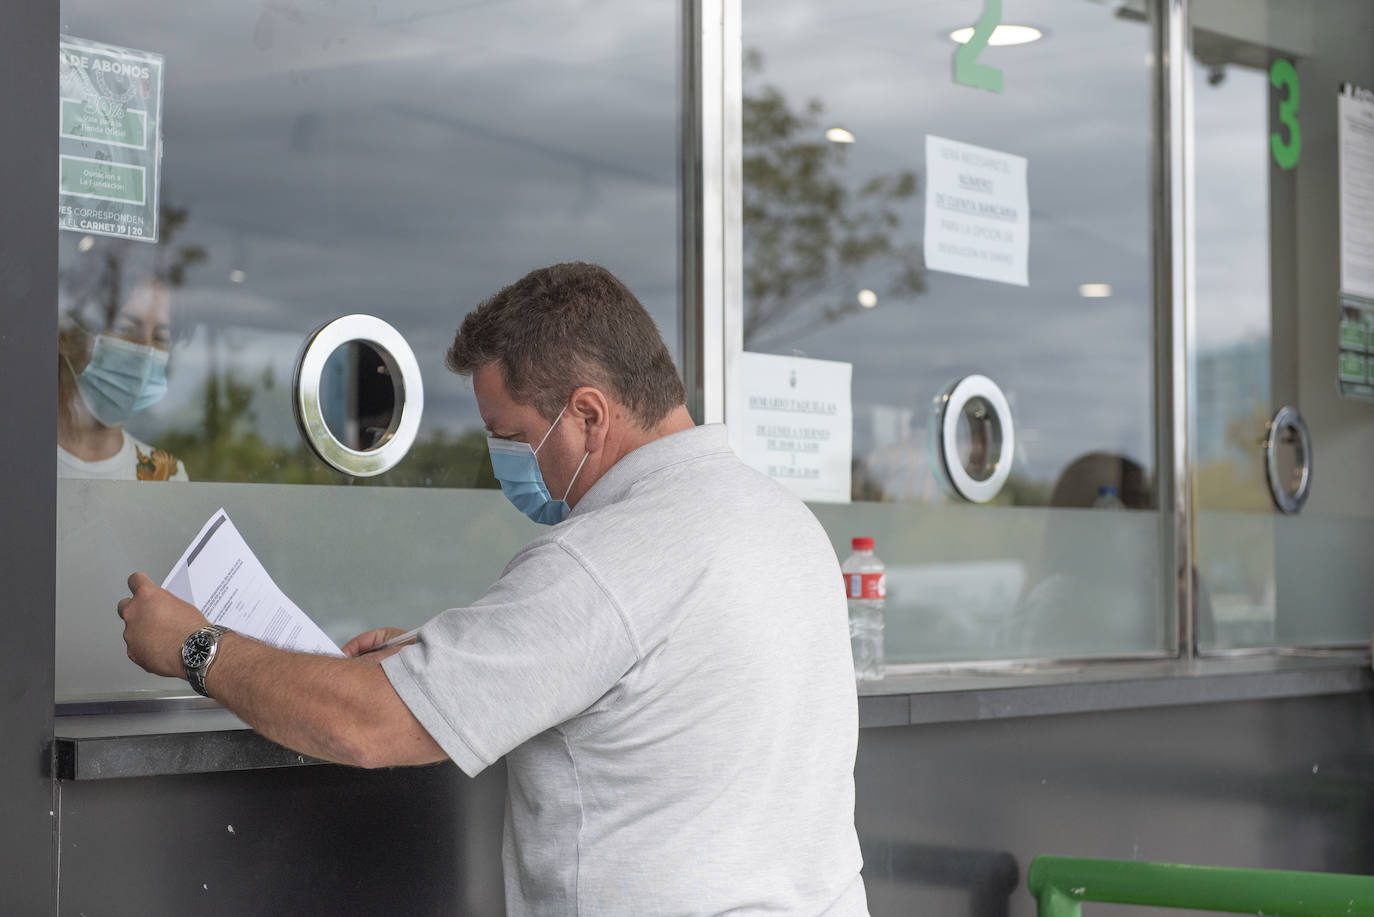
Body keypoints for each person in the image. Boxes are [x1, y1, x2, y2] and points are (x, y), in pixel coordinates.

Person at [116, 262, 870, 915]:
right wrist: (437, 660)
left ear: (587, 413)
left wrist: (193, 644)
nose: (504, 459)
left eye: (509, 434)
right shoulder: (782, 520)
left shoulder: (604, 559)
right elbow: (641, 677)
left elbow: (365, 727)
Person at [58, 275, 188, 481]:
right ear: (67, 337)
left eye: (160, 338)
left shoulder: (167, 476)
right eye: (126, 329)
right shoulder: (16, 455)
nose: (146, 350)